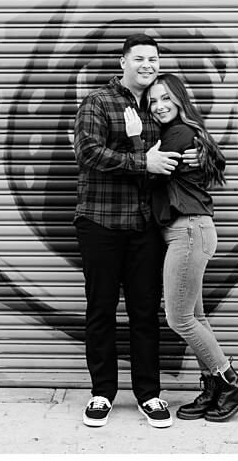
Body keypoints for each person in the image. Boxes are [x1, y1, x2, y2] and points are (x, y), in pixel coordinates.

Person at [71, 33, 184, 429]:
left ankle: (149, 395)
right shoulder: (99, 102)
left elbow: (178, 145)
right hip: (101, 222)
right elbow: (87, 152)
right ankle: (102, 393)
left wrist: (197, 153)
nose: (148, 65)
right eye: (139, 58)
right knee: (100, 309)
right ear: (123, 62)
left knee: (144, 313)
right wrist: (142, 163)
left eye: (153, 58)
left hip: (145, 227)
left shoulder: (157, 105)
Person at [138, 73, 238, 422]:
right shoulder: (182, 134)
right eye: (153, 101)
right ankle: (211, 388)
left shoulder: (177, 134)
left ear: (180, 101)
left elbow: (144, 176)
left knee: (179, 318)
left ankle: (230, 381)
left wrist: (135, 141)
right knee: (196, 316)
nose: (160, 106)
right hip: (190, 231)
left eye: (166, 99)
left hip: (188, 231)